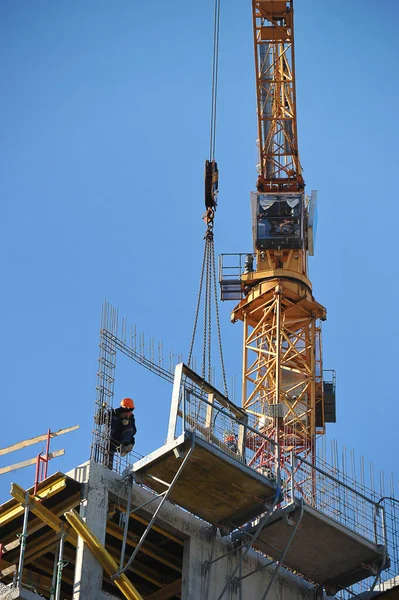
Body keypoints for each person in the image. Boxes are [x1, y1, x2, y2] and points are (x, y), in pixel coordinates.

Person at [96, 397, 137, 469]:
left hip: (120, 441)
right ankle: (107, 469)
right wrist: (101, 410)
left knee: (130, 428)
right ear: (125, 410)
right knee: (107, 461)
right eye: (130, 410)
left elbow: (133, 432)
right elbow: (98, 421)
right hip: (109, 440)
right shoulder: (112, 413)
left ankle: (124, 446)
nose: (131, 412)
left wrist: (126, 424)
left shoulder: (131, 418)